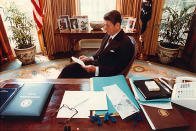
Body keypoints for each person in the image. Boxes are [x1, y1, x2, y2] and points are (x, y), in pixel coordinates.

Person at [58, 10, 135, 78]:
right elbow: (101, 51)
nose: (105, 28)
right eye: (104, 24)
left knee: (70, 73)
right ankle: (55, 89)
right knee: (67, 69)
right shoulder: (109, 34)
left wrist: (95, 69)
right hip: (96, 64)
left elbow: (117, 69)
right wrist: (90, 58)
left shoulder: (125, 43)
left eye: (107, 25)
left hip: (103, 73)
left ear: (117, 25)